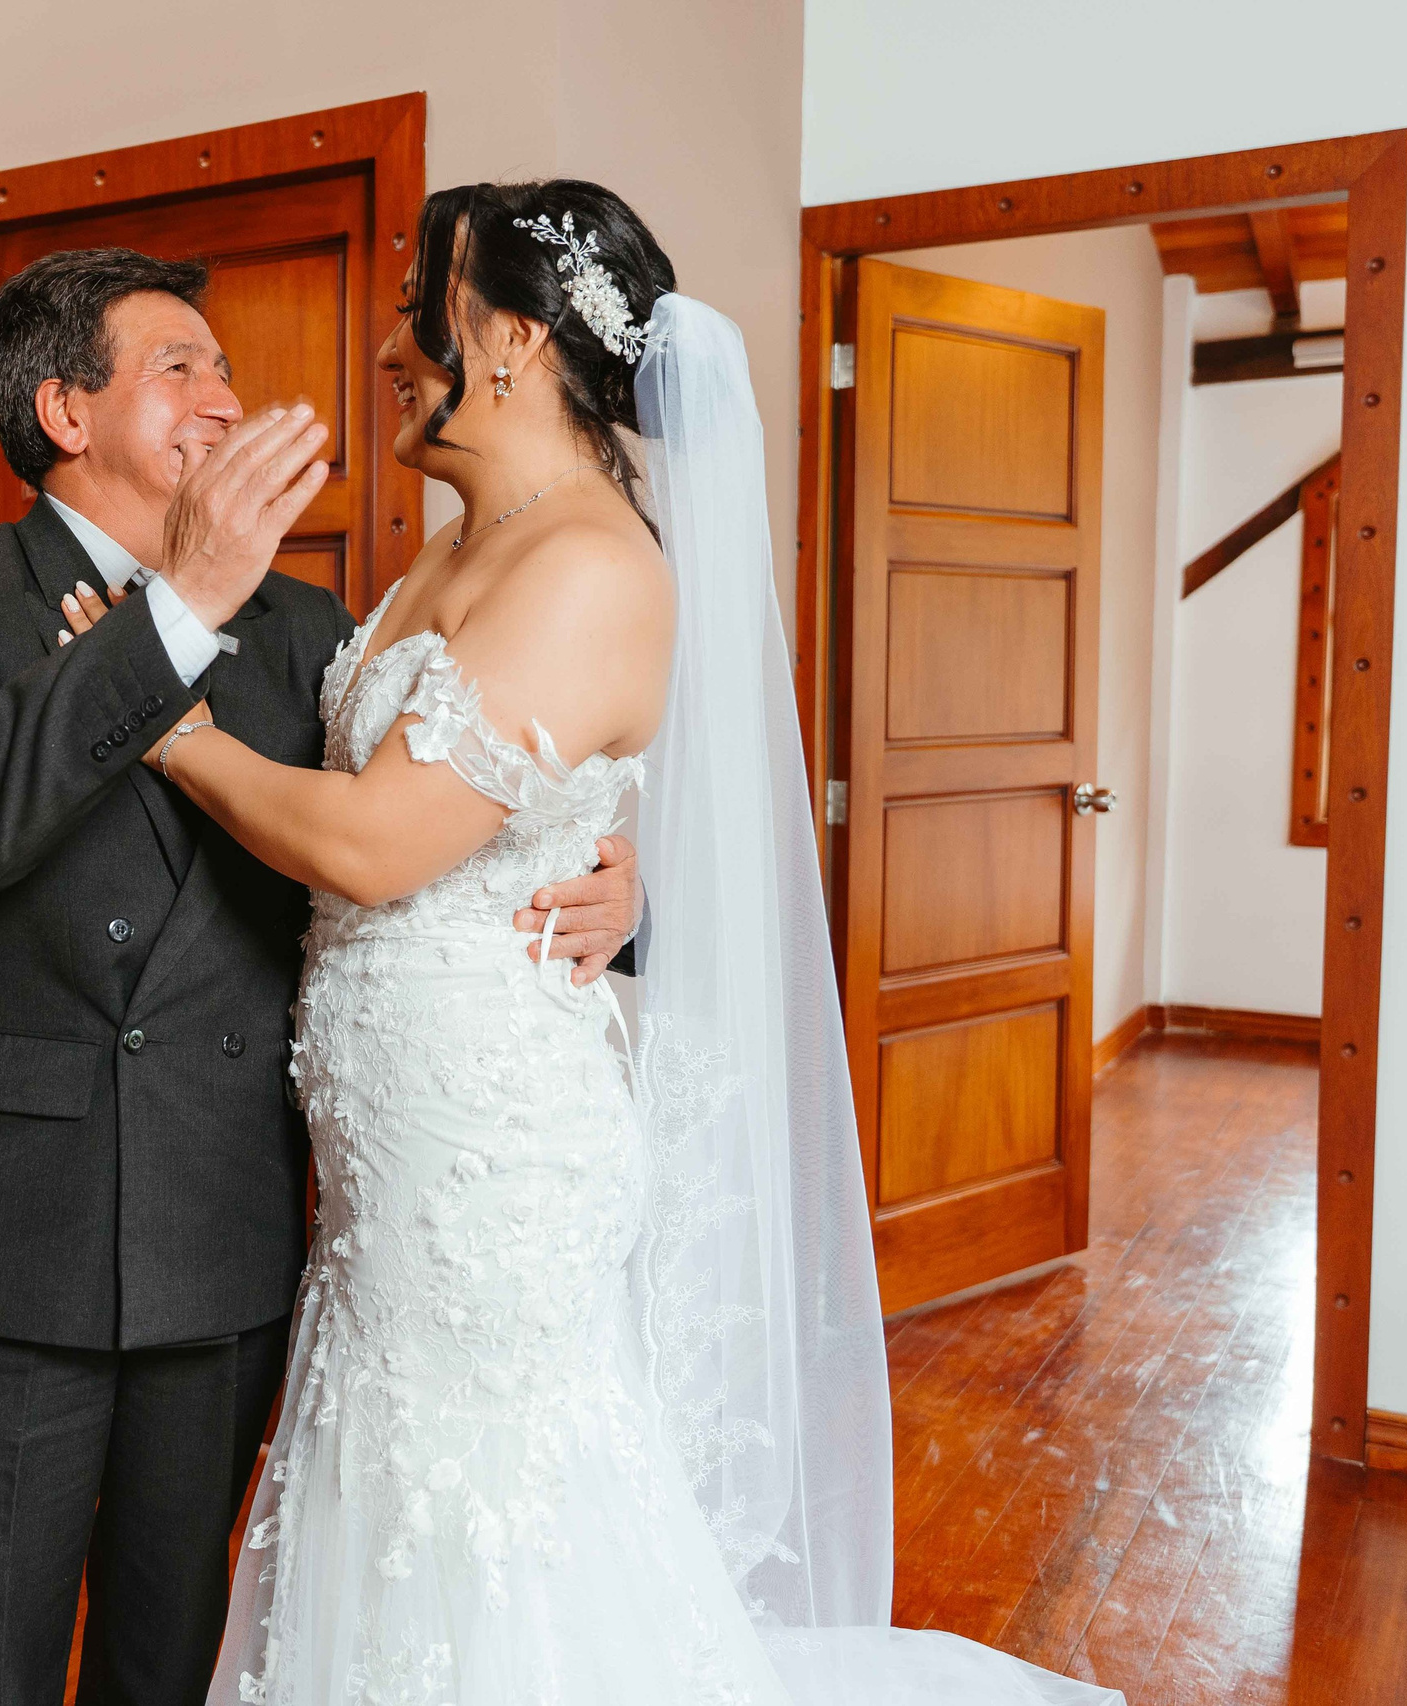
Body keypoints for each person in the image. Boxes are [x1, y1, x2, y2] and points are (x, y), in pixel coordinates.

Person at [59, 182, 1123, 1705]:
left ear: (507, 340)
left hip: (491, 1159)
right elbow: (485, 795)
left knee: (500, 1512)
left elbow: (372, 838)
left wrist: (164, 729)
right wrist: (587, 854)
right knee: (395, 1495)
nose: (386, 349)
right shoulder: (446, 552)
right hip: (387, 1161)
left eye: (418, 307)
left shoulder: (597, 565)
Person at [0, 246, 643, 1706]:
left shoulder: (314, 630)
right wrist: (172, 609)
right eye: (181, 369)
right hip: (8, 1247)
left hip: (220, 1238)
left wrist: (614, 879)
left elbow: (441, 814)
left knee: (169, 1663)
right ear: (65, 411)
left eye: (225, 368)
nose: (227, 398)